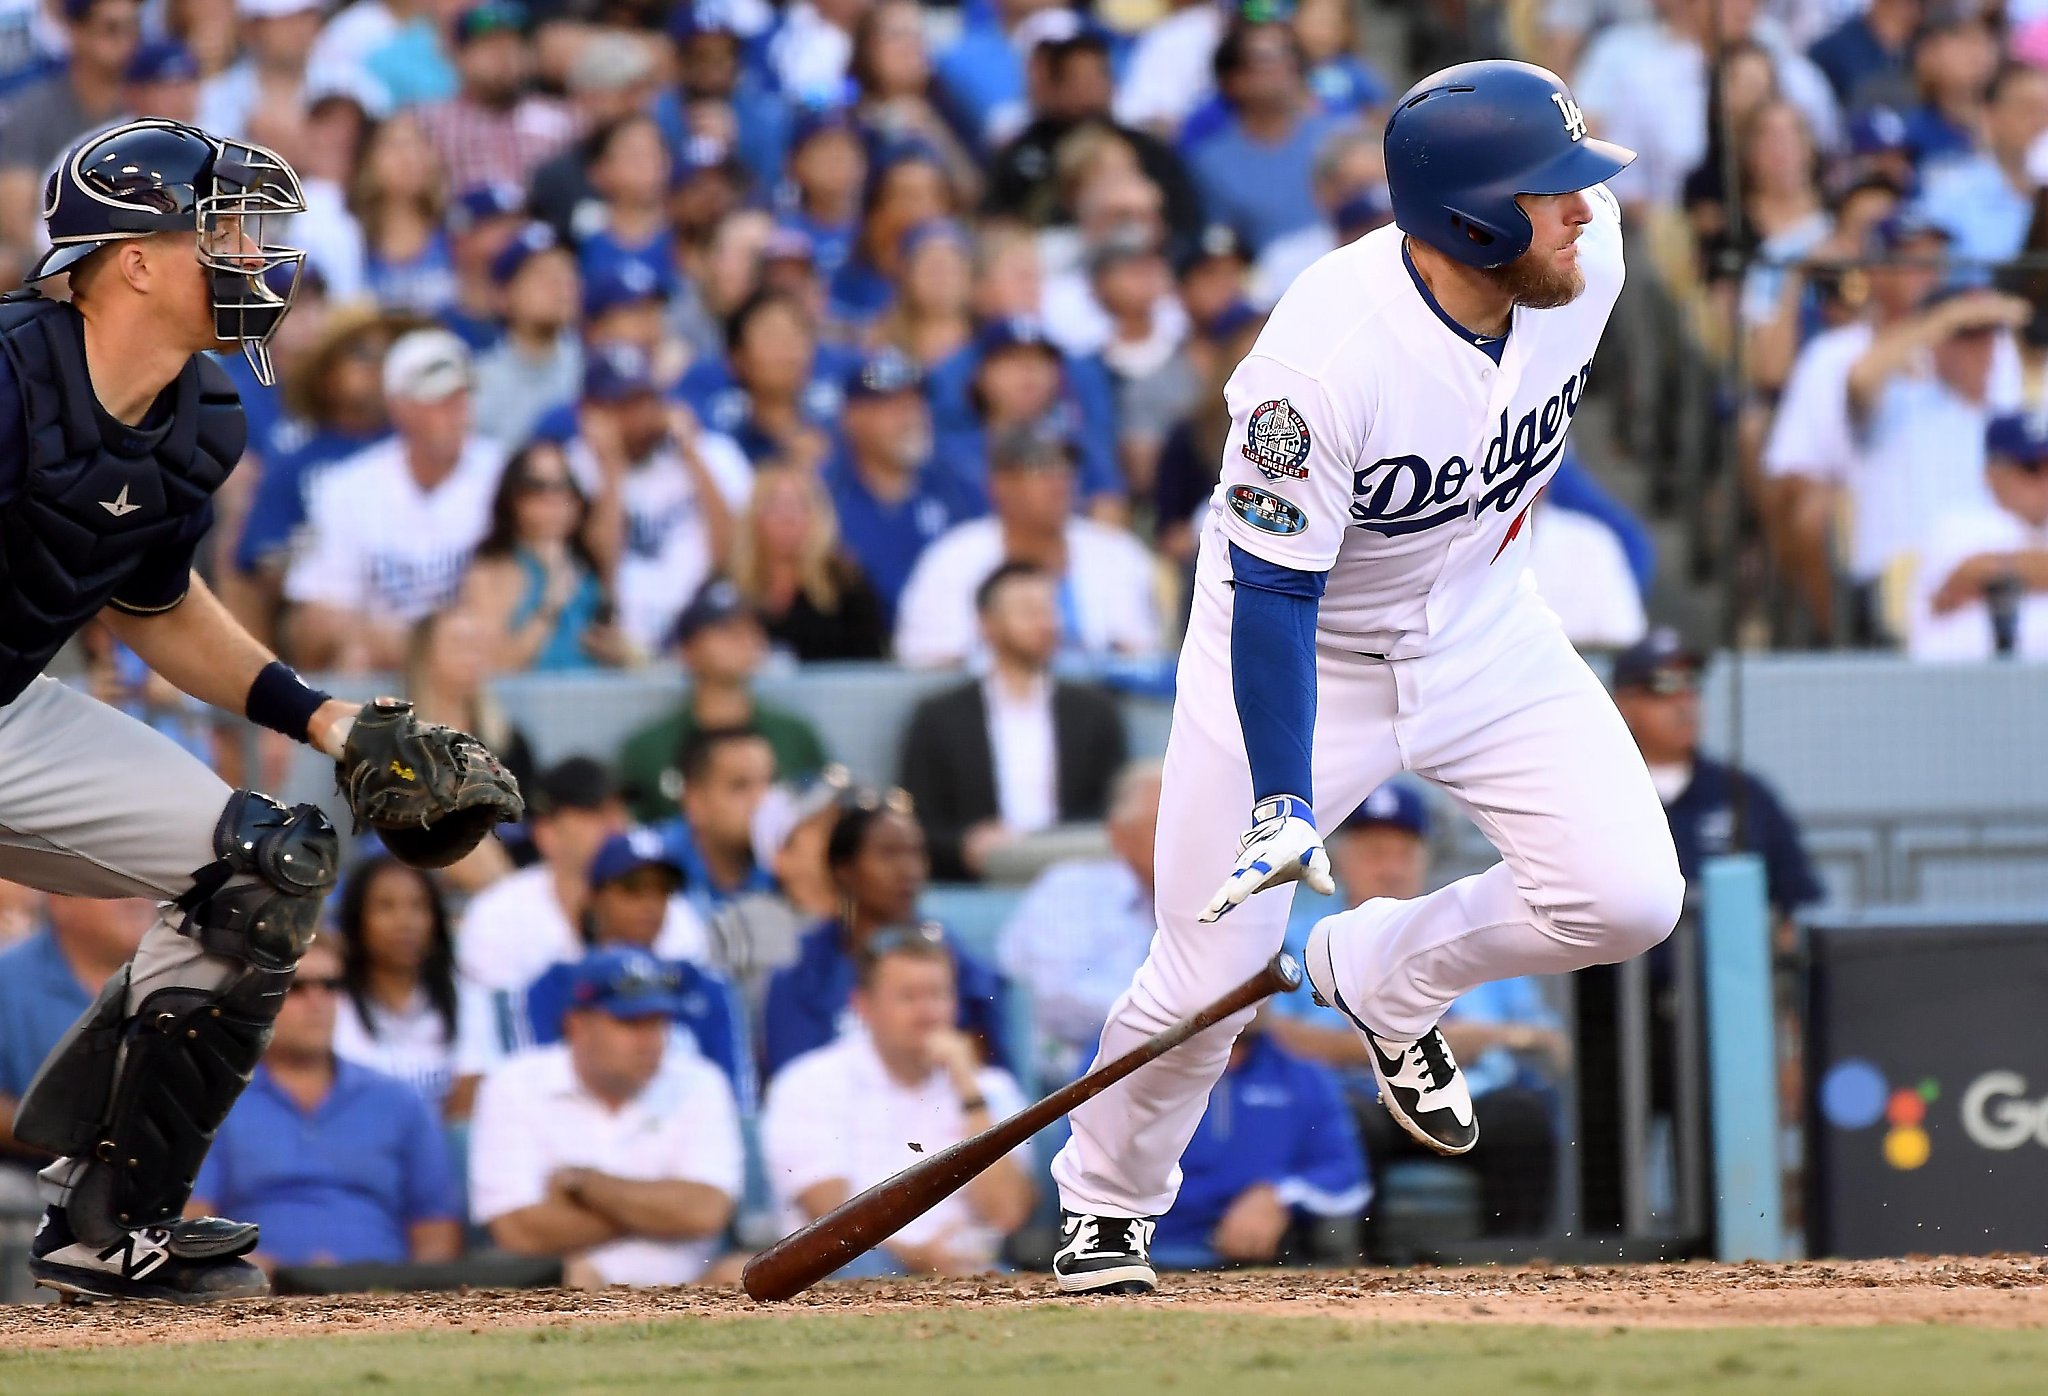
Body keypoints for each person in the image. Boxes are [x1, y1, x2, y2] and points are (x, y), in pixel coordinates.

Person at [1043, 62, 1684, 1296]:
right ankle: (1107, 1203)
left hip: (1485, 627)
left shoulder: (1582, 266)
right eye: (1551, 191)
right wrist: (1282, 797)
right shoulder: (1319, 359)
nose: (1583, 209)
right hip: (1301, 657)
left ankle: (1386, 971)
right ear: (1471, 221)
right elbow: (1273, 593)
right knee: (1210, 970)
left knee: (1624, 899)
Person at [0, 118, 509, 1304]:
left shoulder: (201, 414)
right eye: (218, 227)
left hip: (10, 709)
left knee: (268, 860)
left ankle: (106, 1223)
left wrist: (324, 720)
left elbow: (155, 600)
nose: (248, 251)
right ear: (133, 257)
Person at [1267, 782, 1573, 1239]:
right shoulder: (1302, 937)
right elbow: (1274, 1034)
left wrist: (1493, 1040)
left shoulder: (1472, 930)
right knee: (1341, 1121)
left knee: (1522, 1117)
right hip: (1358, 1099)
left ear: (1426, 858)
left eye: (1404, 851)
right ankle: (1353, 1281)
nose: (1390, 868)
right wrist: (1387, 1043)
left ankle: (1514, 1270)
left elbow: (1553, 1044)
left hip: (1472, 1099)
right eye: (1375, 851)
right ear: (1343, 859)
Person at [763, 930, 1034, 1276]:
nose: (928, 1012)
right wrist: (919, 1258)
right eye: (908, 997)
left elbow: (1006, 1213)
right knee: (860, 1266)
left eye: (938, 994)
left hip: (966, 1270)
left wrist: (967, 1089)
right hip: (852, 1268)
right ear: (863, 1006)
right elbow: (828, 1218)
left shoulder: (988, 1088)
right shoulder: (810, 1082)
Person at [468, 946, 743, 1287]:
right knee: (574, 1278)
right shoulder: (514, 1084)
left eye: (658, 1022)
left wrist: (585, 1186)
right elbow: (518, 1231)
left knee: (743, 1273)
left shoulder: (699, 1080)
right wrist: (663, 1213)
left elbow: (707, 1211)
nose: (650, 1041)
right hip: (565, 1294)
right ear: (577, 1026)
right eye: (631, 1023)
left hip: (697, 1286)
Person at [188, 937, 464, 1271]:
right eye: (297, 987)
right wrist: (280, 1279)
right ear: (253, 1001)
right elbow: (194, 1226)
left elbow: (436, 1230)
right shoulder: (215, 1103)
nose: (318, 1001)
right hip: (258, 1299)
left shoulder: (398, 1101)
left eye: (330, 985)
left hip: (383, 1300)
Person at [283, 328, 508, 671]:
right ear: (399, 408)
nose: (454, 411)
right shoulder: (348, 486)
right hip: (383, 670)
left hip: (484, 669)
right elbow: (316, 618)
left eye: (461, 396)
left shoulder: (505, 474)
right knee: (350, 655)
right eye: (436, 399)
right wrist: (379, 638)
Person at [898, 563, 1128, 881]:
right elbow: (917, 817)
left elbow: (1112, 807)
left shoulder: (1094, 711)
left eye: (1049, 608)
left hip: (1076, 872)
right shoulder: (939, 718)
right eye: (1027, 611)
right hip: (978, 879)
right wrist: (964, 846)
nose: (1044, 622)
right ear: (987, 624)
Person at [761, 801, 1018, 1082]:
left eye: (916, 853)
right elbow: (792, 1080)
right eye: (888, 854)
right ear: (844, 870)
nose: (908, 870)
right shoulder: (804, 971)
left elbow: (991, 1063)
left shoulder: (949, 952)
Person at [893, 420, 1162, 669]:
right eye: (1039, 468)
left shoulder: (1118, 553)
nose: (1059, 483)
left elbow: (1144, 658)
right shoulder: (951, 559)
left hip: (1098, 714)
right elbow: (925, 663)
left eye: (1066, 467)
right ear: (1000, 485)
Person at [1612, 630, 1823, 921]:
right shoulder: (1601, 794)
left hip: (1728, 965)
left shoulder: (1745, 793)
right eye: (1664, 685)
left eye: (1692, 682)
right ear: (1624, 702)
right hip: (1618, 966)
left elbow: (1799, 902)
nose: (1684, 701)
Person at [457, 757, 701, 994]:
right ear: (547, 834)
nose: (618, 825)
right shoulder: (498, 918)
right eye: (597, 812)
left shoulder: (668, 911)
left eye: (621, 810)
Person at [571, 344, 754, 659]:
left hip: (702, 640)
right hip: (618, 648)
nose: (639, 417)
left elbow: (732, 554)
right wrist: (612, 468)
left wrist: (693, 455)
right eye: (621, 405)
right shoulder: (575, 466)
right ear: (590, 412)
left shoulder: (714, 454)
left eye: (645, 401)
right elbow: (602, 568)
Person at [1149, 1019, 1369, 1271]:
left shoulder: (1300, 1072)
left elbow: (1347, 1177)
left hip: (1250, 1265)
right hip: (1138, 1255)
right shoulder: (1135, 1055)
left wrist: (1278, 1194)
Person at [997, 761, 1163, 1085]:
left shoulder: (1206, 898)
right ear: (1119, 835)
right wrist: (1170, 1015)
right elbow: (1057, 998)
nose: (1181, 841)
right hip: (1074, 1077)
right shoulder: (1070, 888)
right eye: (1162, 825)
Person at [615, 580, 831, 823]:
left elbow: (827, 816)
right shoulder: (648, 748)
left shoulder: (795, 736)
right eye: (724, 628)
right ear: (687, 650)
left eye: (752, 626)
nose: (744, 636)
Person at [824, 346, 985, 627]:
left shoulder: (957, 485)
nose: (909, 417)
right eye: (891, 406)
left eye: (915, 403)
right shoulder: (823, 492)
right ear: (852, 418)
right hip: (859, 654)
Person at [0, 898, 152, 1166]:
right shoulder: (7, 981)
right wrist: (75, 1138)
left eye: (144, 886)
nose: (139, 899)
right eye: (117, 888)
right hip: (33, 1185)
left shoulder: (181, 980)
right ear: (62, 898)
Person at [1184, 20, 1352, 257]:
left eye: (1288, 53)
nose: (1285, 65)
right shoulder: (1210, 162)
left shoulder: (1338, 137)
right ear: (1233, 81)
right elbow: (1220, 244)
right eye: (1266, 58)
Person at [0, 0, 141, 273]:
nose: (126, 41)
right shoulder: (34, 108)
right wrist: (57, 273)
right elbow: (15, 222)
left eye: (133, 28)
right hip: (49, 261)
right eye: (111, 28)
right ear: (76, 32)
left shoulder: (146, 104)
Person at [457, 439, 621, 673]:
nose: (554, 499)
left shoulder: (586, 563)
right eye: (538, 487)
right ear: (513, 497)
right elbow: (491, 664)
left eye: (566, 486)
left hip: (590, 700)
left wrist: (616, 651)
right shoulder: (492, 569)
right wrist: (550, 604)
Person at [331, 854, 471, 1118]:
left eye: (419, 906)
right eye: (385, 907)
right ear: (356, 919)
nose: (405, 922)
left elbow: (470, 1096)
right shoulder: (331, 1002)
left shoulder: (468, 995)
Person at [1911, 410, 2048, 660]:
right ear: (1993, 473)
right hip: (1961, 685)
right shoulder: (1960, 524)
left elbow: (1982, 570)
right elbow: (1966, 573)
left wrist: (2002, 569)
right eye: (2031, 468)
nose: (2045, 481)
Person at [731, 465, 889, 662]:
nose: (787, 518)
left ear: (818, 516)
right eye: (774, 505)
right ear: (754, 516)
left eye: (799, 505)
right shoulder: (729, 586)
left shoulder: (847, 583)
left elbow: (871, 665)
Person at [414, 0, 574, 193]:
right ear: (458, 56)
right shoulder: (430, 123)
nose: (504, 56)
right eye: (489, 45)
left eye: (513, 45)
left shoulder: (561, 120)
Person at [469, 221, 584, 450]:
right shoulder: (480, 384)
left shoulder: (596, 367)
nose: (560, 285)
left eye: (566, 271)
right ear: (503, 295)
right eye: (542, 274)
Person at [654, 725, 779, 916]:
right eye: (740, 786)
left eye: (769, 782)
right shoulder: (651, 866)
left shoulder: (792, 866)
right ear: (694, 801)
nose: (762, 800)